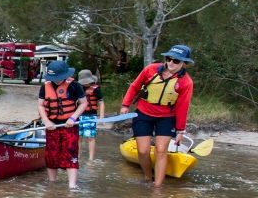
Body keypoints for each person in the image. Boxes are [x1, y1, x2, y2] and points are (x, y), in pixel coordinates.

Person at [120, 44, 195, 185]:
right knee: (143, 151)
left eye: (176, 61)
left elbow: (183, 107)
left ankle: (157, 188)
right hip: (143, 113)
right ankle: (148, 177)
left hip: (167, 117)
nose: (171, 63)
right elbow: (134, 86)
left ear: (184, 63)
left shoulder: (186, 82)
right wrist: (125, 105)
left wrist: (180, 131)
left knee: (161, 151)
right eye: (169, 59)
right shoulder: (151, 69)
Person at [38, 60, 88, 189]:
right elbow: (40, 105)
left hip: (70, 125)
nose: (56, 80)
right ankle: (52, 183)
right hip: (52, 126)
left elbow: (83, 103)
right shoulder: (45, 86)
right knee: (51, 154)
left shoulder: (75, 86)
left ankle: (72, 185)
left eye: (59, 78)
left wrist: (73, 117)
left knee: (71, 153)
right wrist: (46, 121)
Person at [76, 69, 104, 161]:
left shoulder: (96, 89)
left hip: (91, 116)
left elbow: (101, 103)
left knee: (90, 137)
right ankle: (78, 156)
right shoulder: (78, 88)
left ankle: (91, 159)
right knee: (78, 137)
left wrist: (101, 117)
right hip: (78, 116)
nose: (85, 84)